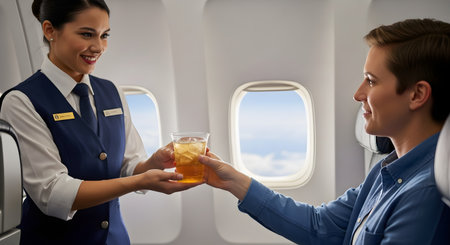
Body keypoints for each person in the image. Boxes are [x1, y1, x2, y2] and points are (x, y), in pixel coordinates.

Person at [199, 18, 450, 245]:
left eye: (371, 81)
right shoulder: (387, 169)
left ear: (417, 95)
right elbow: (319, 225)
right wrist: (233, 181)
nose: (358, 94)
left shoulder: (425, 194)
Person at [0, 0, 199, 244]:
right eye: (86, 34)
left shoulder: (112, 91)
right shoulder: (21, 101)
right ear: (50, 30)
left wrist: (153, 164)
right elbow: (52, 193)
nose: (98, 47)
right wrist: (138, 180)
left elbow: (128, 164)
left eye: (104, 35)